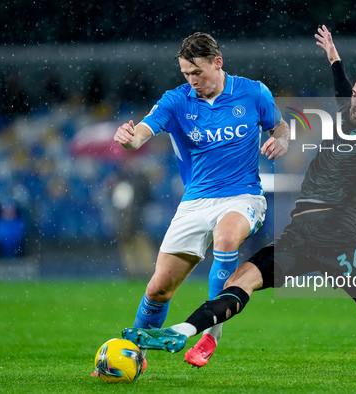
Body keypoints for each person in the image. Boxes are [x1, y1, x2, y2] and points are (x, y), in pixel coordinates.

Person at [122, 26, 356, 375]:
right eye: (354, 95)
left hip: (341, 242)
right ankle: (186, 332)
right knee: (240, 281)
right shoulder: (347, 117)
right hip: (301, 236)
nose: (354, 100)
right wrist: (334, 58)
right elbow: (342, 92)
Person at [113, 32, 290, 370]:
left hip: (243, 195)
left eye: (198, 73)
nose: (192, 81)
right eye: (186, 74)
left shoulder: (253, 93)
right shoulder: (176, 100)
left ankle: (209, 335)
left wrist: (282, 141)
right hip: (196, 202)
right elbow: (142, 133)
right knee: (159, 289)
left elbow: (280, 129)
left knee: (226, 237)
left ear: (218, 63)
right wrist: (128, 138)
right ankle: (133, 353)